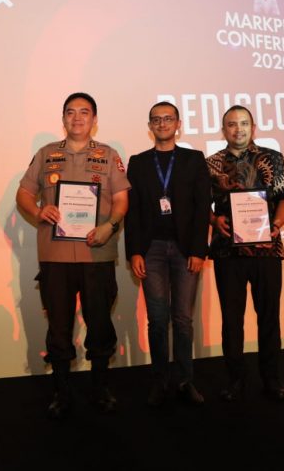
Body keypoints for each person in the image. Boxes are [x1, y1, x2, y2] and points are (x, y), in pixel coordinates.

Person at [16, 92, 130, 419]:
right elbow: (23, 194)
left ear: (94, 119)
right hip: (56, 256)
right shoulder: (46, 154)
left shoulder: (108, 155)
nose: (77, 118)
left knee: (100, 325)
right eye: (70, 112)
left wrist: (110, 226)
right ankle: (62, 391)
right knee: (59, 327)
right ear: (63, 118)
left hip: (97, 254)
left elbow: (121, 200)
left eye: (84, 112)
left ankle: (100, 388)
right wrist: (38, 210)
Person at [206, 105, 284, 402]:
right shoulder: (211, 164)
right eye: (232, 124)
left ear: (253, 127)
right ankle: (235, 380)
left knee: (269, 317)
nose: (238, 129)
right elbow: (200, 205)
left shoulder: (272, 158)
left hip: (267, 251)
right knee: (232, 321)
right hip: (227, 254)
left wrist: (277, 225)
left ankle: (272, 379)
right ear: (224, 130)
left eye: (244, 123)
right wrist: (213, 220)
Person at [124, 101, 211, 407]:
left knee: (183, 319)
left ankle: (185, 381)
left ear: (178, 124)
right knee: (158, 320)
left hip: (186, 250)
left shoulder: (194, 159)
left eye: (168, 119)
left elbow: (202, 208)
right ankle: (160, 382)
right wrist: (134, 252)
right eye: (156, 120)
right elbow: (132, 212)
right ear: (150, 126)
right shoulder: (138, 163)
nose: (162, 124)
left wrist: (199, 250)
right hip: (152, 251)